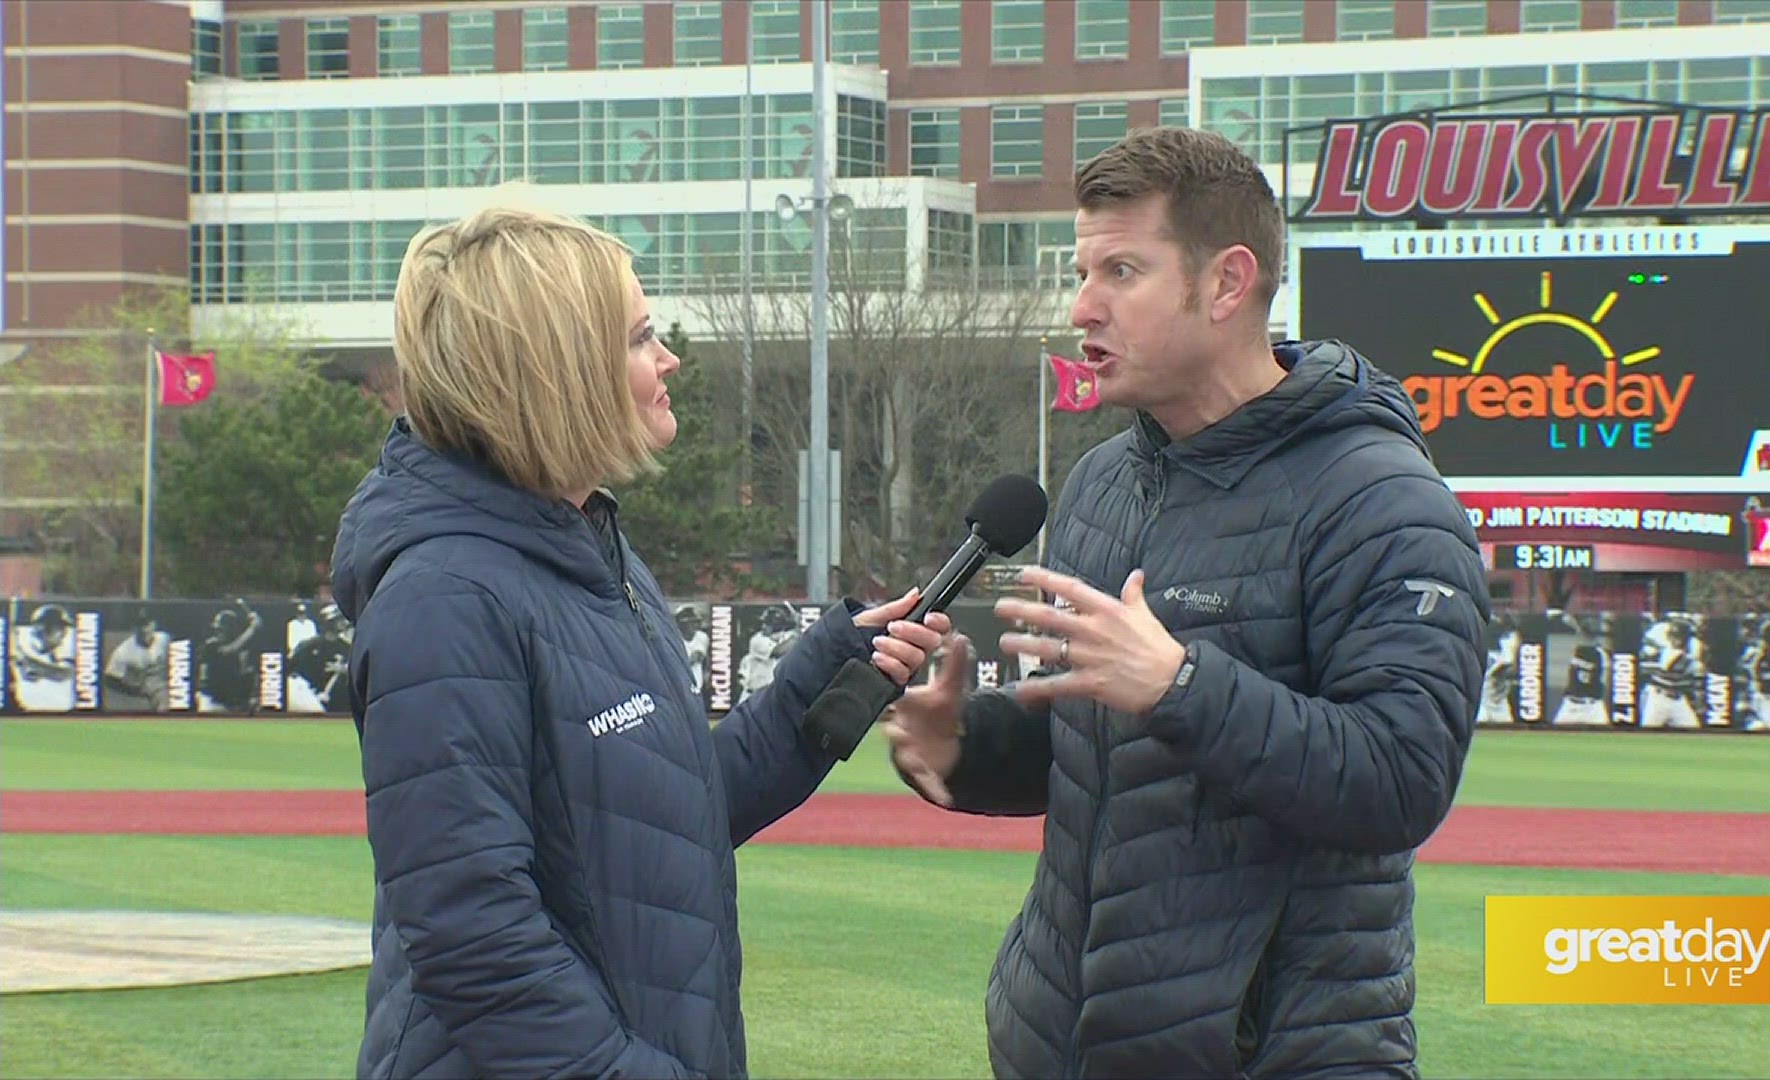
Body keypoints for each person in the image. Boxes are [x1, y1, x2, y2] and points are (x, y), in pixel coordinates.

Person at [884, 126, 1489, 1079]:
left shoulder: (1382, 500)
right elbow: (1103, 757)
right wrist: (968, 746)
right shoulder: (1099, 486)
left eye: (1122, 270)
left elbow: (1400, 780)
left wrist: (1178, 684)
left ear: (1226, 283)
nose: (1083, 306)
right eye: (1083, 271)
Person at [332, 204, 948, 1080]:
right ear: (558, 370)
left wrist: (821, 682)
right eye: (640, 337)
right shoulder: (444, 600)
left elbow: (659, 823)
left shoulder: (589, 546)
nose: (668, 361)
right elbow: (474, 942)